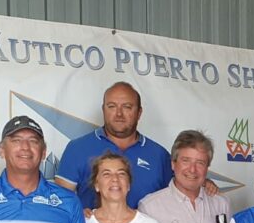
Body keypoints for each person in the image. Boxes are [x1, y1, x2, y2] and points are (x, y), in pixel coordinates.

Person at [55, 82, 217, 208]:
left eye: (127, 107)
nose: (119, 114)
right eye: (112, 106)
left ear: (139, 112)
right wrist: (79, 214)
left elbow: (181, 187)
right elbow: (61, 201)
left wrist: (204, 183)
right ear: (103, 109)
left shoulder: (158, 155)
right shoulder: (77, 148)